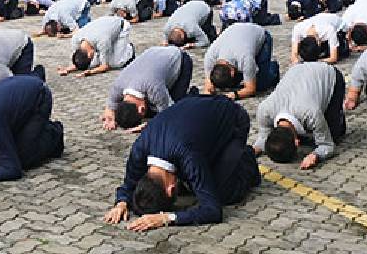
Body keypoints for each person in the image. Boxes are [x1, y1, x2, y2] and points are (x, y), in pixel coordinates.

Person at [103, 95, 260, 231]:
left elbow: (212, 210)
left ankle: (247, 159)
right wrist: (121, 202)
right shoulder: (139, 149)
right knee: (199, 180)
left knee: (223, 193)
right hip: (196, 114)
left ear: (171, 189)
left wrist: (166, 218)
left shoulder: (187, 155)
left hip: (234, 120)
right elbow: (129, 183)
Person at [253, 61, 347, 170]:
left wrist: (316, 155)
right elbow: (263, 137)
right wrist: (254, 149)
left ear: (297, 143)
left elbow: (328, 145)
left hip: (329, 76)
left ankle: (338, 118)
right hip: (298, 72)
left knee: (335, 135)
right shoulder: (264, 110)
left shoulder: (310, 113)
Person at [102, 45, 193, 131]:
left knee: (178, 106)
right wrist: (111, 117)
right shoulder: (117, 86)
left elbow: (168, 115)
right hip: (154, 55)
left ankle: (193, 95)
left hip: (179, 58)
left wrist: (149, 126)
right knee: (154, 109)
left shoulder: (154, 88)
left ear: (141, 109)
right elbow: (110, 108)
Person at [204, 22, 279, 99]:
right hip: (237, 33)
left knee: (261, 86)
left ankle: (273, 67)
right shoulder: (209, 58)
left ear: (233, 72)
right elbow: (208, 86)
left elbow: (251, 89)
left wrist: (234, 95)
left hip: (260, 35)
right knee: (233, 83)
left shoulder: (245, 58)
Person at [59, 15, 135, 77]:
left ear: (89, 54)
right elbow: (78, 61)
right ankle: (113, 49)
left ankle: (129, 50)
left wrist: (90, 72)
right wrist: (67, 69)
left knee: (116, 63)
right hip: (105, 29)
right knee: (97, 61)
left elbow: (105, 66)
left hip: (121, 27)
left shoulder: (102, 41)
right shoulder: (75, 40)